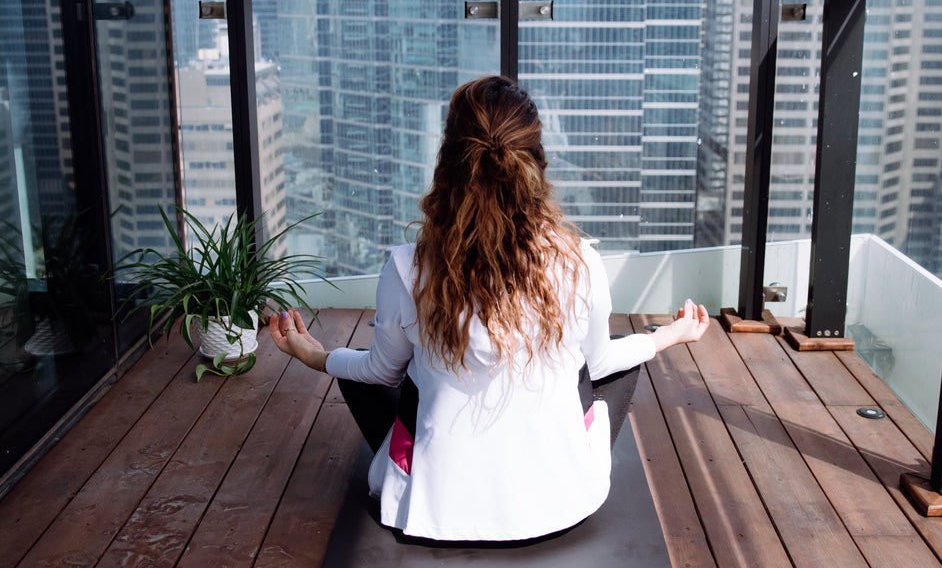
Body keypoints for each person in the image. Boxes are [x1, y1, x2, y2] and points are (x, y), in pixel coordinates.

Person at [270, 76, 709, 543]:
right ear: (537, 162)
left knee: (370, 370)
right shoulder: (580, 263)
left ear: (449, 161)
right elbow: (600, 364)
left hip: (434, 508)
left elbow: (381, 373)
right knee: (622, 360)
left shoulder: (405, 268)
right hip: (559, 504)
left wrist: (314, 356)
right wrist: (666, 336)